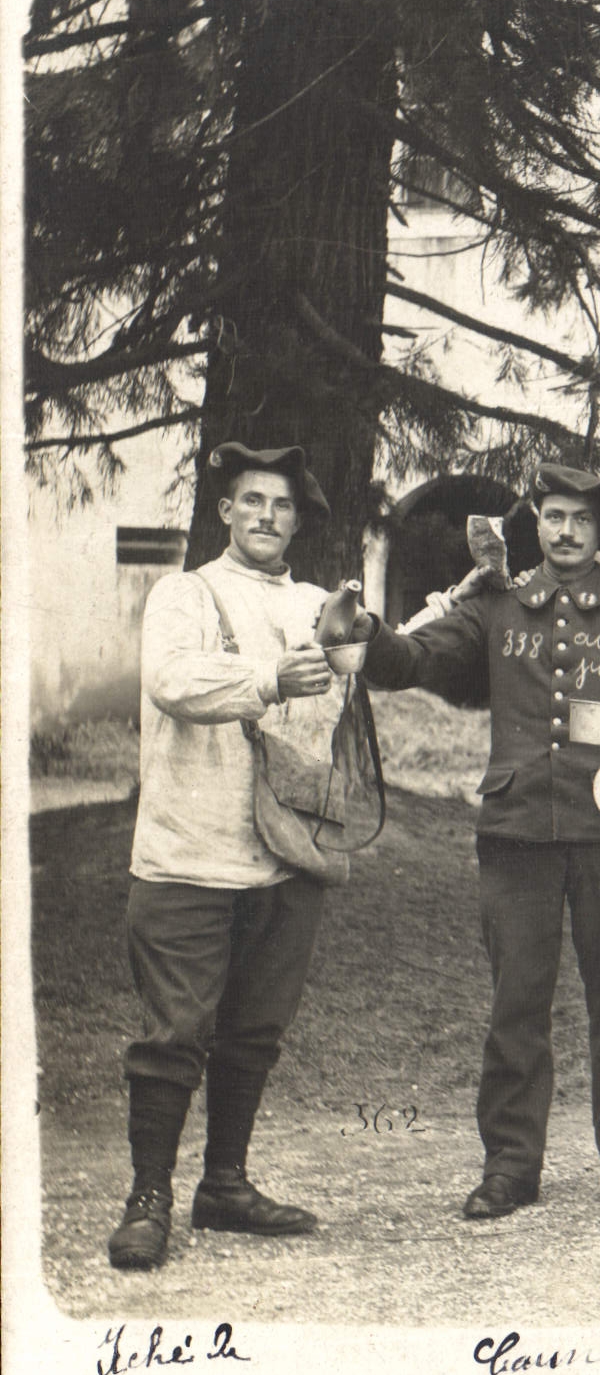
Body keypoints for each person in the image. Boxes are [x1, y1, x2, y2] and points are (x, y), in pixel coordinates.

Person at [351, 464, 600, 1218]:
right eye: (552, 516)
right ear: (534, 524)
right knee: (516, 1003)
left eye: (580, 518)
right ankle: (510, 1164)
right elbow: (416, 658)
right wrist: (369, 634)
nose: (565, 531)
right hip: (517, 834)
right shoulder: (497, 609)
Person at [108, 441, 344, 1271]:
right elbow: (173, 681)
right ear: (226, 511)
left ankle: (225, 1185)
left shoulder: (317, 602)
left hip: (285, 854)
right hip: (188, 854)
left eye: (282, 507)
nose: (267, 518)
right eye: (253, 502)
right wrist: (274, 677)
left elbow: (358, 680)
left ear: (297, 520)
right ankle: (149, 1199)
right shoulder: (184, 592)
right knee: (174, 1034)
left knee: (253, 1033)